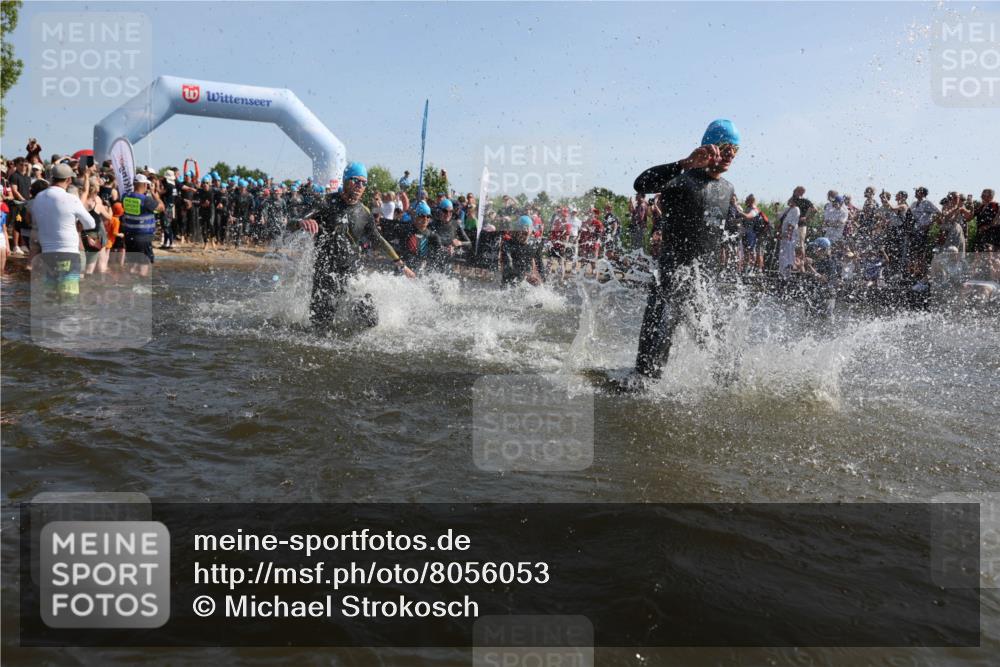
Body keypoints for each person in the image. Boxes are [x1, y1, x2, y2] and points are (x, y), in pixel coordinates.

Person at [631, 119, 741, 383]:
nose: (729, 154)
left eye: (735, 149)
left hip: (705, 285)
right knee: (648, 372)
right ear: (708, 148)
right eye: (724, 147)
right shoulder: (683, 181)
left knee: (725, 366)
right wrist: (684, 163)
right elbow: (641, 184)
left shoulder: (728, 189)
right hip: (671, 281)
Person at [297, 162, 415, 332]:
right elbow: (292, 223)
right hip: (324, 274)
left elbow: (378, 240)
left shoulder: (364, 212)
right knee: (319, 327)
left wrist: (401, 265)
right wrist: (301, 222)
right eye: (356, 180)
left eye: (364, 182)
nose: (360, 186)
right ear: (345, 180)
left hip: (351, 274)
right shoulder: (326, 202)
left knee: (370, 320)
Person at [27, 163, 96, 298]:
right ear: (69, 180)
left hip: (47, 253)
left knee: (50, 295)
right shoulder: (71, 199)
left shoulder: (38, 198)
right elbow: (90, 224)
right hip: (68, 253)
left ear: (52, 178)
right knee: (68, 296)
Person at [121, 173, 164, 277]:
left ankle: (131, 283)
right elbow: (162, 207)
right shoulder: (146, 200)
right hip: (143, 237)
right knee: (144, 265)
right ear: (145, 185)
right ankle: (141, 283)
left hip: (129, 235)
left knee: (131, 265)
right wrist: (154, 194)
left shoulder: (125, 197)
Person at [500, 216, 546, 286]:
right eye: (523, 233)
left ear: (531, 231)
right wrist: (526, 275)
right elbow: (508, 267)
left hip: (527, 282)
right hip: (509, 282)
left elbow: (539, 264)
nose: (524, 237)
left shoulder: (534, 244)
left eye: (527, 233)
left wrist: (543, 280)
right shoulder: (508, 244)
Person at [400, 201, 443, 271]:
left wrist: (428, 263)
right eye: (422, 216)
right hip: (405, 269)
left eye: (428, 216)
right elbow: (399, 252)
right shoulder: (406, 231)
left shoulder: (433, 236)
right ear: (416, 216)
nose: (425, 219)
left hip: (423, 270)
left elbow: (439, 257)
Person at [778, 198, 801, 278]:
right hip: (784, 234)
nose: (788, 200)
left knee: (788, 253)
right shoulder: (787, 209)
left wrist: (788, 233)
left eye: (791, 200)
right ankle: (782, 273)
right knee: (783, 253)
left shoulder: (796, 210)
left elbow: (792, 223)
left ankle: (787, 274)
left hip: (790, 235)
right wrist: (776, 208)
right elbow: (779, 216)